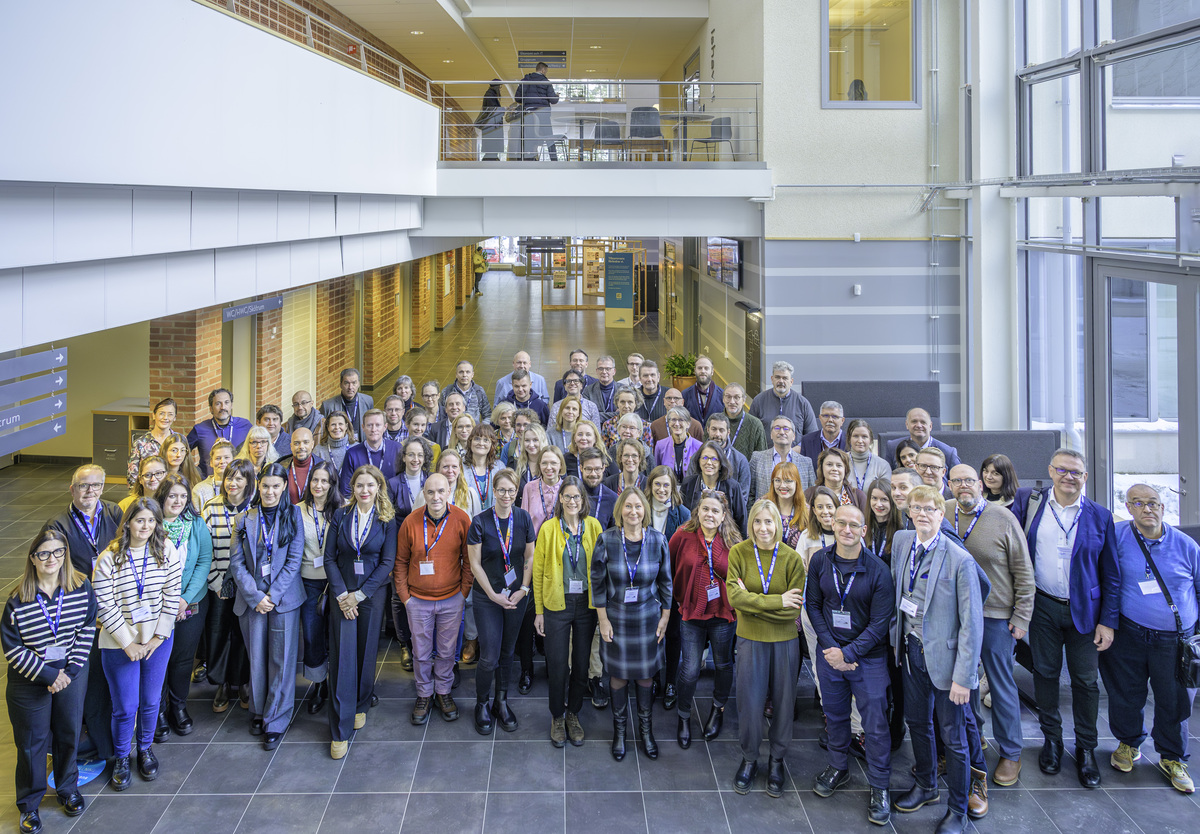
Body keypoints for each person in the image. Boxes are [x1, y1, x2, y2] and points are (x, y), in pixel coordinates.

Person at [1010, 448, 1119, 790]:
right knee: (1045, 674)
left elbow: (1111, 573)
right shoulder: (1031, 505)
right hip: (1043, 605)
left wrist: (1108, 621)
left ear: (1085, 477)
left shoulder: (1100, 515)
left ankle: (1086, 748)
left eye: (1076, 472)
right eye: (1062, 470)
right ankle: (1052, 740)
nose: (1068, 477)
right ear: (1050, 471)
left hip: (1086, 612)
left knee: (1086, 682)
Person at [889, 486, 984, 834]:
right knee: (917, 723)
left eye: (930, 509)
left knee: (953, 737)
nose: (923, 514)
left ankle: (957, 809)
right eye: (917, 508)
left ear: (941, 514)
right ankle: (927, 785)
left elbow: (972, 624)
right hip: (911, 651)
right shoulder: (902, 542)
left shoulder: (959, 559)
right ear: (909, 513)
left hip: (948, 662)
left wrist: (964, 678)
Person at [1101, 484, 1200, 793]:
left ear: (1162, 507)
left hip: (1175, 640)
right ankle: (1128, 744)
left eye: (1153, 503)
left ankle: (1173, 758)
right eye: (1139, 503)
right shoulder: (1116, 537)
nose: (1147, 509)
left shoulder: (1186, 546)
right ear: (1128, 508)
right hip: (1129, 633)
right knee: (1125, 693)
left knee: (1175, 700)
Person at [807, 505, 895, 825]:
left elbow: (880, 623)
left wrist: (849, 654)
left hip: (868, 659)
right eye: (841, 523)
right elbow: (813, 605)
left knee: (874, 724)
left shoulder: (878, 570)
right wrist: (833, 650)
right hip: (830, 654)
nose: (846, 529)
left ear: (863, 530)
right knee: (834, 715)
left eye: (853, 525)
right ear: (832, 525)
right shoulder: (820, 560)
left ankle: (880, 785)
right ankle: (838, 767)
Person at [2, 530, 96, 832]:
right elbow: (13, 649)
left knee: (68, 733)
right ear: (32, 559)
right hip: (29, 682)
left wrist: (69, 672)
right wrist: (49, 675)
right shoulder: (18, 599)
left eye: (57, 552)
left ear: (65, 554)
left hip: (70, 675)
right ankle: (29, 804)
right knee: (32, 743)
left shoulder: (81, 587)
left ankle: (68, 788)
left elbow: (87, 629)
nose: (51, 558)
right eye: (43, 553)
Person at [948, 463, 1034, 789]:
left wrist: (1021, 617)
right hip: (956, 615)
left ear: (981, 485)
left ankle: (1011, 752)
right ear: (949, 485)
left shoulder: (1003, 518)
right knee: (965, 683)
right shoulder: (944, 512)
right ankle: (976, 737)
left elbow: (1023, 571)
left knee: (1000, 685)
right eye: (957, 481)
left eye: (969, 480)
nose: (964, 486)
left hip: (995, 616)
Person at [94, 497, 182, 790]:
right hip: (119, 643)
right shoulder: (109, 557)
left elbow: (172, 593)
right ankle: (122, 757)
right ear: (128, 523)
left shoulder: (166, 550)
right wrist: (127, 643)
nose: (145, 526)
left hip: (157, 640)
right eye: (139, 520)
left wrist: (158, 636)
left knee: (150, 701)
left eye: (151, 521)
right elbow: (104, 605)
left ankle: (144, 749)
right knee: (125, 706)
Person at [726, 499, 806, 797]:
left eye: (768, 522)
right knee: (749, 703)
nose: (763, 528)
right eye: (757, 522)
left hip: (785, 641)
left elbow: (792, 611)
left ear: (778, 525)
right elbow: (735, 599)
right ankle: (749, 758)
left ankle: (776, 760)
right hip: (750, 639)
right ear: (751, 524)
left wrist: (753, 605)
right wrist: (777, 601)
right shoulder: (739, 553)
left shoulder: (792, 559)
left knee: (784, 704)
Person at [46, 464, 123, 763]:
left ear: (103, 487)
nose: (90, 491)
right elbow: (51, 570)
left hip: (113, 605)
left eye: (96, 485)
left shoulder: (114, 513)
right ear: (72, 489)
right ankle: (81, 741)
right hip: (78, 610)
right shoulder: (58, 524)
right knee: (83, 676)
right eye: (83, 485)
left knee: (106, 678)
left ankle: (106, 741)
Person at [228, 464, 305, 751]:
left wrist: (272, 595)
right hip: (253, 601)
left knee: (281, 661)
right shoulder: (243, 519)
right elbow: (236, 564)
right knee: (258, 659)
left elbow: (294, 561)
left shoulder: (294, 515)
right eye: (265, 486)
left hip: (283, 600)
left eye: (275, 486)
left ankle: (277, 718)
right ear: (258, 486)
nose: (270, 491)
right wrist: (256, 596)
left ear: (284, 487)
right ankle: (260, 711)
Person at [592, 487, 673, 761]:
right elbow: (597, 584)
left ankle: (646, 731)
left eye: (638, 506)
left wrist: (665, 616)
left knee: (646, 675)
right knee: (618, 676)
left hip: (648, 619)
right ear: (620, 510)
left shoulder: (658, 540)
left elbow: (666, 583)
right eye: (628, 506)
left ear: (645, 511)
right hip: (616, 619)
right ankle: (620, 732)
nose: (633, 511)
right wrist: (602, 620)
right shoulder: (606, 540)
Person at [323, 465, 396, 759]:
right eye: (359, 485)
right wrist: (343, 595)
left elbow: (387, 562)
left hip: (370, 595)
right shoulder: (340, 516)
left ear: (378, 487)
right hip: (342, 595)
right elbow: (329, 558)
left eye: (370, 485)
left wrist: (360, 595)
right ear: (352, 488)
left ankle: (361, 703)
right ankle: (339, 729)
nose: (365, 490)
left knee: (366, 652)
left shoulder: (387, 519)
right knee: (342, 657)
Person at [394, 474, 473, 725]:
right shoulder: (410, 522)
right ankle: (424, 694)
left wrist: (463, 593)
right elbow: (400, 562)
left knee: (447, 651)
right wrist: (405, 598)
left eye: (441, 491)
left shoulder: (462, 519)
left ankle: (443, 691)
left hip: (452, 598)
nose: (436, 497)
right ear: (424, 494)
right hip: (418, 600)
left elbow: (469, 560)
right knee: (421, 652)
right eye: (430, 492)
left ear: (449, 492)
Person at [533, 476, 602, 747]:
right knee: (558, 665)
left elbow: (602, 568)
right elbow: (538, 571)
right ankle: (557, 716)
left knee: (582, 665)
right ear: (560, 499)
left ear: (583, 500)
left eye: (577, 497)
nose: (572, 501)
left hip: (586, 605)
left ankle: (573, 713)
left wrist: (603, 609)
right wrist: (539, 611)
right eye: (568, 496)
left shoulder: (593, 526)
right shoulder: (549, 528)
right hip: (556, 605)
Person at [670, 490, 742, 747]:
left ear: (723, 516)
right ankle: (683, 716)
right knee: (689, 671)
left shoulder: (734, 541)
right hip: (691, 613)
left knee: (723, 664)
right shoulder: (682, 535)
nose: (710, 514)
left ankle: (717, 709)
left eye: (715, 511)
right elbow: (669, 566)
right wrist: (679, 596)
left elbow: (740, 576)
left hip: (723, 614)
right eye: (705, 509)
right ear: (697, 511)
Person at [467, 469, 535, 736]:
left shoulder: (524, 518)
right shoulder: (480, 522)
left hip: (516, 595)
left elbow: (529, 557)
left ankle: (501, 701)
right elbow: (474, 564)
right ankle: (482, 703)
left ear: (517, 492)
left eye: (511, 490)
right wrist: (493, 594)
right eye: (502, 490)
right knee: (489, 656)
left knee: (508, 653)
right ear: (494, 492)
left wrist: (524, 589)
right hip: (488, 597)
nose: (507, 495)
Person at [153, 475, 213, 740]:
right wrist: (167, 603)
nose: (178, 501)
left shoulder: (196, 523)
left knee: (182, 660)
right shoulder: (151, 524)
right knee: (157, 660)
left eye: (183, 496)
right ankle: (157, 711)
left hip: (191, 604)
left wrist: (184, 599)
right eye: (172, 495)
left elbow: (204, 561)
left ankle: (178, 707)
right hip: (156, 608)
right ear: (162, 496)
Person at [200, 459, 256, 714]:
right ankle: (221, 684)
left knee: (243, 635)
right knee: (219, 634)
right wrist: (215, 582)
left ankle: (242, 682)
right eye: (229, 478)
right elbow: (204, 550)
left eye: (239, 478)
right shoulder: (211, 508)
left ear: (248, 482)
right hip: (219, 584)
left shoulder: (255, 508)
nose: (232, 483)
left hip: (247, 586)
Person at [863, 477, 908, 748]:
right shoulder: (864, 530)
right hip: (867, 611)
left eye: (884, 500)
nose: (879, 504)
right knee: (875, 676)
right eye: (874, 499)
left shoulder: (901, 533)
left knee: (895, 674)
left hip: (893, 615)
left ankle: (896, 726)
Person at [299, 460, 338, 715]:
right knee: (313, 636)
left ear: (332, 484)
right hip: (308, 582)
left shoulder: (342, 510)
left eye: (325, 481)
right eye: (315, 480)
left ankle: (338, 681)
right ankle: (319, 683)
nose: (319, 485)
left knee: (334, 635)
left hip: (336, 582)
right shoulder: (297, 511)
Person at [680, 441, 747, 533]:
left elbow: (741, 521)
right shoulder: (688, 483)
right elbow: (682, 517)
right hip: (693, 536)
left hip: (725, 538)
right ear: (698, 461)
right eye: (705, 458)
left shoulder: (733, 487)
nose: (709, 462)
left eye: (714, 459)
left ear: (721, 463)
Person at [187, 388, 253, 480]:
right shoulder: (200, 429)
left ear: (231, 405)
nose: (223, 407)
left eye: (226, 402)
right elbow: (183, 451)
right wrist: (193, 471)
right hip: (209, 483)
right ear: (211, 408)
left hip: (238, 482)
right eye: (218, 403)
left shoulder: (245, 426)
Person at [749, 415, 816, 503]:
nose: (781, 432)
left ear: (794, 436)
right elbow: (750, 493)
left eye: (786, 429)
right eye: (777, 428)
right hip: (766, 510)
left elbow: (812, 494)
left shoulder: (806, 462)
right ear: (771, 434)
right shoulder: (757, 458)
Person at [337, 409, 400, 497]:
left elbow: (402, 483)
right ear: (363, 427)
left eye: (378, 425)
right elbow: (346, 490)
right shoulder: (352, 454)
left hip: (391, 503)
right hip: (362, 503)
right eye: (369, 425)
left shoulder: (397, 449)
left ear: (385, 427)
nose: (373, 429)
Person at [749, 361, 817, 435]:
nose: (781, 381)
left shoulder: (803, 403)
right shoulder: (759, 401)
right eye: (777, 377)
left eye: (785, 378)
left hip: (795, 443)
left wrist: (799, 444)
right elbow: (750, 432)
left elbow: (812, 434)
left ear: (791, 382)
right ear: (772, 379)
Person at [885, 408, 961, 469]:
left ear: (930, 426)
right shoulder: (893, 447)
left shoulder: (948, 452)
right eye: (914, 421)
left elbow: (958, 478)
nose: (918, 425)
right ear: (907, 425)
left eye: (923, 422)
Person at [514, 61, 560, 161]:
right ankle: (554, 160)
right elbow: (553, 100)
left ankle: (527, 159)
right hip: (543, 113)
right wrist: (557, 96)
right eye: (546, 71)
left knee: (528, 137)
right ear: (543, 70)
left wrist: (528, 100)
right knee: (549, 137)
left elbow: (517, 98)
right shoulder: (546, 82)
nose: (546, 73)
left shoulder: (525, 80)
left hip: (528, 114)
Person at [127, 398, 177, 486]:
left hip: (174, 489)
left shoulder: (179, 441)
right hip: (147, 489)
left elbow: (186, 470)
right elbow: (132, 476)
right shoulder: (140, 443)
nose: (165, 418)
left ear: (174, 418)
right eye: (161, 413)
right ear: (154, 415)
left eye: (170, 414)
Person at [805, 448, 868, 514]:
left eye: (839, 465)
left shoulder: (859, 496)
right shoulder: (809, 494)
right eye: (829, 464)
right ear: (821, 468)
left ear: (845, 469)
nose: (834, 469)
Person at [764, 461, 810, 550]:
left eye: (788, 481)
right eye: (778, 480)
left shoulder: (806, 511)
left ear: (796, 483)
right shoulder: (763, 505)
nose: (782, 485)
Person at [522, 446, 567, 533]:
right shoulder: (529, 488)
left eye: (553, 463)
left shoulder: (567, 488)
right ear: (539, 465)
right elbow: (523, 522)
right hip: (535, 540)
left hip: (561, 540)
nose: (548, 467)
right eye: (544, 463)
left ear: (561, 465)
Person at [320, 368, 375, 439]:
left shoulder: (368, 401)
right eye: (346, 383)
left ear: (358, 384)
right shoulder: (327, 405)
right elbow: (322, 432)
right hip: (338, 444)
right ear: (340, 385)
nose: (350, 387)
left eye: (354, 383)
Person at [654, 407, 702, 484]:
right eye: (673, 420)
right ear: (669, 423)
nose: (676, 424)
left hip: (690, 489)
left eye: (681, 420)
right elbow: (657, 472)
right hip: (667, 489)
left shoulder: (699, 446)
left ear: (688, 423)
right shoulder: (660, 445)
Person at [464, 424, 503, 513]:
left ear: (492, 444)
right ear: (470, 442)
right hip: (468, 518)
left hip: (493, 518)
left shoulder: (500, 467)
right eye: (477, 439)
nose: (481, 443)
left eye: (486, 440)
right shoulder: (460, 467)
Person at [723, 383, 768, 460]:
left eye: (737, 397)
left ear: (743, 400)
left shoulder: (755, 424)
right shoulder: (714, 421)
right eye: (728, 397)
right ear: (723, 399)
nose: (732, 401)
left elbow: (762, 458)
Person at [277, 427, 322, 505]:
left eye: (306, 442)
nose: (301, 446)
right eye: (296, 443)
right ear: (291, 446)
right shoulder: (280, 467)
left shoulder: (323, 468)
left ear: (312, 444)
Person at [845, 419, 892, 492]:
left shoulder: (882, 465)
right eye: (856, 436)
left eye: (864, 436)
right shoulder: (840, 461)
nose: (860, 441)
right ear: (849, 439)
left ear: (870, 440)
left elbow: (886, 493)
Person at [798, 400, 848, 467]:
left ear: (842, 420)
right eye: (826, 416)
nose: (830, 420)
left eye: (834, 416)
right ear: (820, 418)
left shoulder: (850, 441)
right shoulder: (807, 441)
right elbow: (803, 469)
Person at [578, 448, 617, 529]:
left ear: (603, 468)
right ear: (581, 468)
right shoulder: (572, 495)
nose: (593, 474)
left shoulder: (612, 499)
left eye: (597, 469)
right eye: (589, 469)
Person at [191, 439, 235, 512]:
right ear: (211, 462)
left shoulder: (240, 487)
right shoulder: (199, 490)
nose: (222, 461)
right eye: (218, 458)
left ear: (233, 460)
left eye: (226, 457)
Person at [680, 354, 723, 425]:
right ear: (695, 371)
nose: (703, 371)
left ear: (712, 372)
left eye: (706, 368)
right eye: (699, 368)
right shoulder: (685, 394)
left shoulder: (722, 395)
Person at [439, 448, 482, 518]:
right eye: (445, 467)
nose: (450, 470)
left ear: (460, 469)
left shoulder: (470, 494)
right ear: (438, 468)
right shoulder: (428, 495)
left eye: (454, 467)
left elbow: (478, 523)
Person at [314, 411, 355, 476]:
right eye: (333, 424)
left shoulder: (356, 448)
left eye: (340, 424)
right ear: (328, 427)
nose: (337, 427)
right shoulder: (318, 450)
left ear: (346, 426)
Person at [583, 354, 620, 419]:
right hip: (594, 425)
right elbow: (587, 414)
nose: (604, 372)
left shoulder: (623, 390)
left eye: (608, 369)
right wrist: (615, 414)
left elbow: (625, 413)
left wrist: (597, 415)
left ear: (614, 371)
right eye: (601, 369)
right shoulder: (588, 391)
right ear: (596, 371)